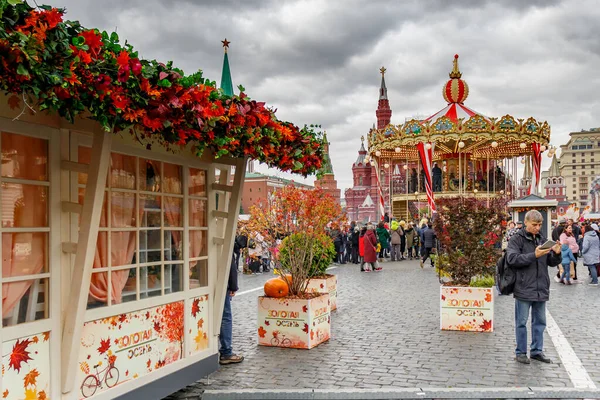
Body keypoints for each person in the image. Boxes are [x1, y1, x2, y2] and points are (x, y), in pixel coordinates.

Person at [506, 210, 561, 364]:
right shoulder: (517, 239)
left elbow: (550, 262)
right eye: (534, 225)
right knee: (522, 322)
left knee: (540, 322)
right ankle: (521, 352)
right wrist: (533, 256)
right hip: (524, 287)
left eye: (540, 225)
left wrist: (556, 254)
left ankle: (537, 350)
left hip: (541, 287)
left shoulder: (542, 239)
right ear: (526, 223)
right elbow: (512, 259)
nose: (538, 228)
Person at [219, 251, 244, 365]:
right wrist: (233, 286)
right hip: (221, 285)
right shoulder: (225, 244)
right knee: (225, 317)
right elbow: (231, 266)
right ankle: (226, 351)